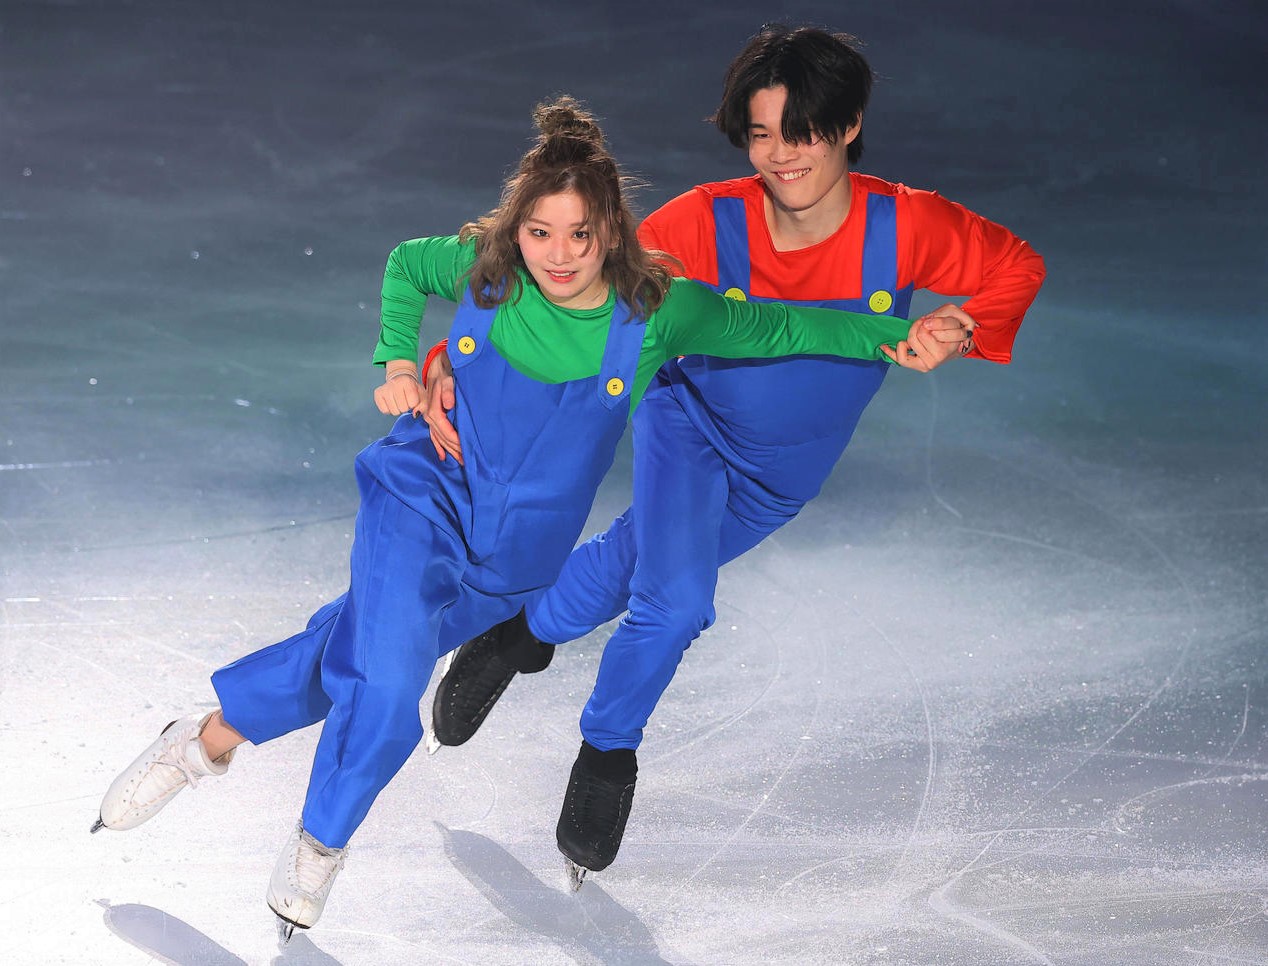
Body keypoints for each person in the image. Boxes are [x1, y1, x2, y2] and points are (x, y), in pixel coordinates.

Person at [91, 95, 967, 935]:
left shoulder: (658, 310)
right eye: (540, 232)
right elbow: (406, 265)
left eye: (580, 234)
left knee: (357, 651)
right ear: (517, 229)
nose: (558, 254)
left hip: (512, 563)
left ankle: (201, 741)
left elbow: (782, 330)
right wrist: (400, 361)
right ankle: (321, 842)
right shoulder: (486, 271)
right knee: (388, 684)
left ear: (611, 232)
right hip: (424, 495)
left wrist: (898, 336)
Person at [424, 26, 1046, 886]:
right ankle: (606, 754)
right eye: (761, 135)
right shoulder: (704, 222)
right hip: (689, 428)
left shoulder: (908, 225)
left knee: (633, 561)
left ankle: (521, 633)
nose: (781, 156)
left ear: (850, 125)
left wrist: (964, 325)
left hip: (784, 476)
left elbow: (1016, 264)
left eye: (803, 133)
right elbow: (566, 288)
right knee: (675, 602)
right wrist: (446, 360)